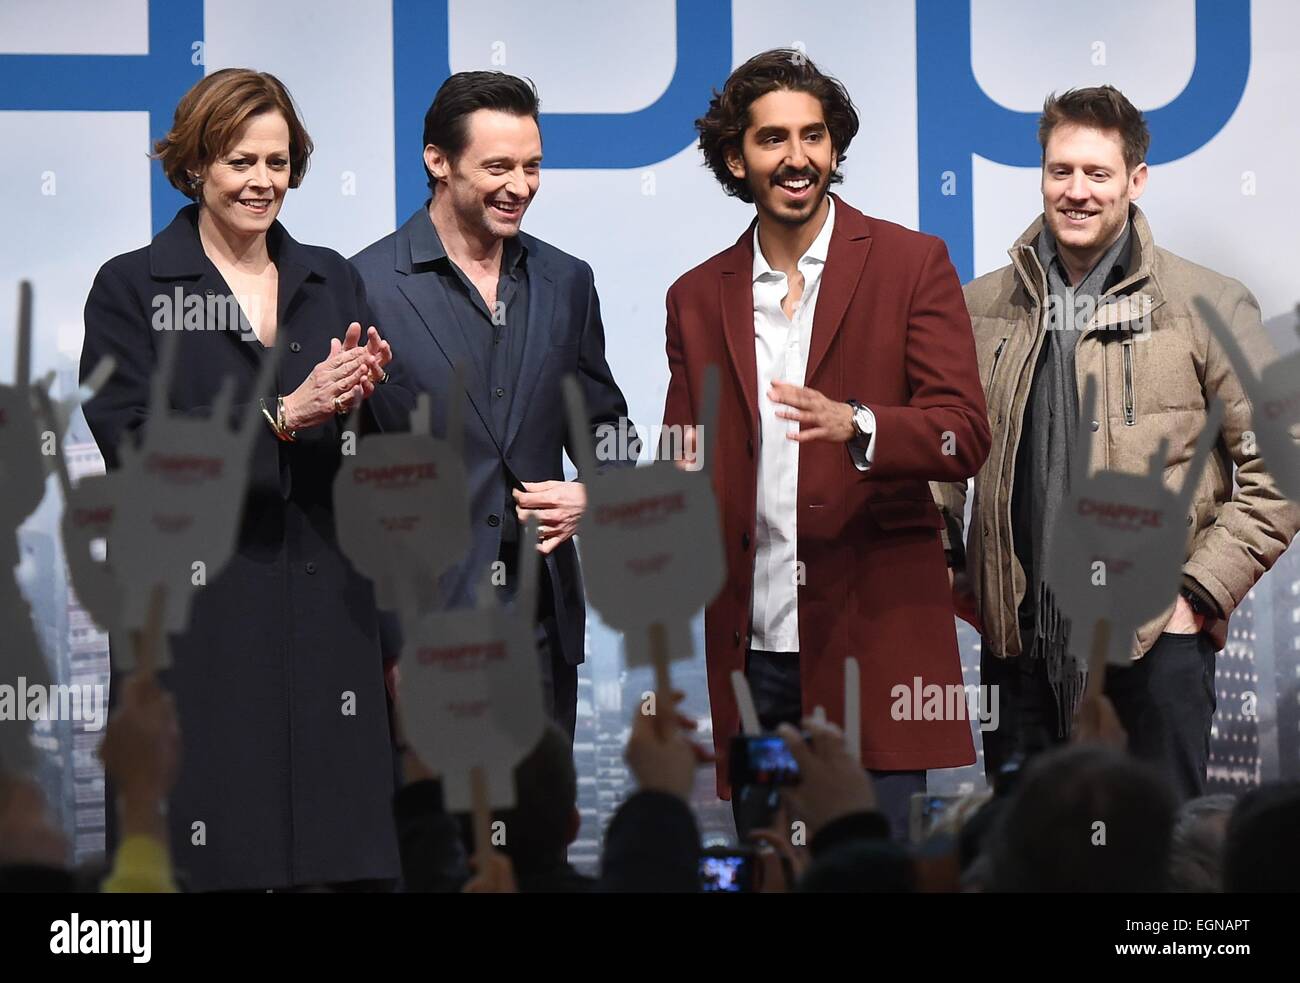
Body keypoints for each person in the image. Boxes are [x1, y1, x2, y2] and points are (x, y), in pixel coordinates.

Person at [80, 68, 412, 891]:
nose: (263, 182)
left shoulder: (331, 277)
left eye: (278, 161)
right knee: (207, 860)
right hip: (200, 632)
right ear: (195, 164)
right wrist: (279, 418)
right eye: (240, 161)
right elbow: (137, 454)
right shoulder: (130, 287)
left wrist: (368, 401)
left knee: (337, 861)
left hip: (329, 621)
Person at [935, 85, 1300, 800]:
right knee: (1031, 865)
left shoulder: (1208, 303)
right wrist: (953, 572)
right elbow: (938, 459)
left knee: (1160, 867)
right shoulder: (980, 309)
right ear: (1040, 174)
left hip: (1156, 650)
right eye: (1060, 171)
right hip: (1020, 655)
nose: (1075, 192)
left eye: (1097, 174)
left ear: (1135, 180)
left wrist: (1199, 594)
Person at [662, 49, 990, 839]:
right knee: (772, 860)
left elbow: (964, 431)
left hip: (872, 645)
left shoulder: (913, 264)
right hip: (756, 658)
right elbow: (684, 452)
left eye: (814, 136)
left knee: (874, 866)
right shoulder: (696, 296)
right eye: (773, 139)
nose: (797, 156)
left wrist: (863, 423)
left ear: (834, 150)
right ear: (736, 159)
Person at [351, 72, 635, 740]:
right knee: (432, 846)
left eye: (533, 166)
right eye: (499, 166)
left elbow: (607, 432)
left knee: (537, 842)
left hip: (541, 633)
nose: (521, 186)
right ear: (437, 161)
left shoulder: (568, 281)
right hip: (418, 633)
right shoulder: (362, 285)